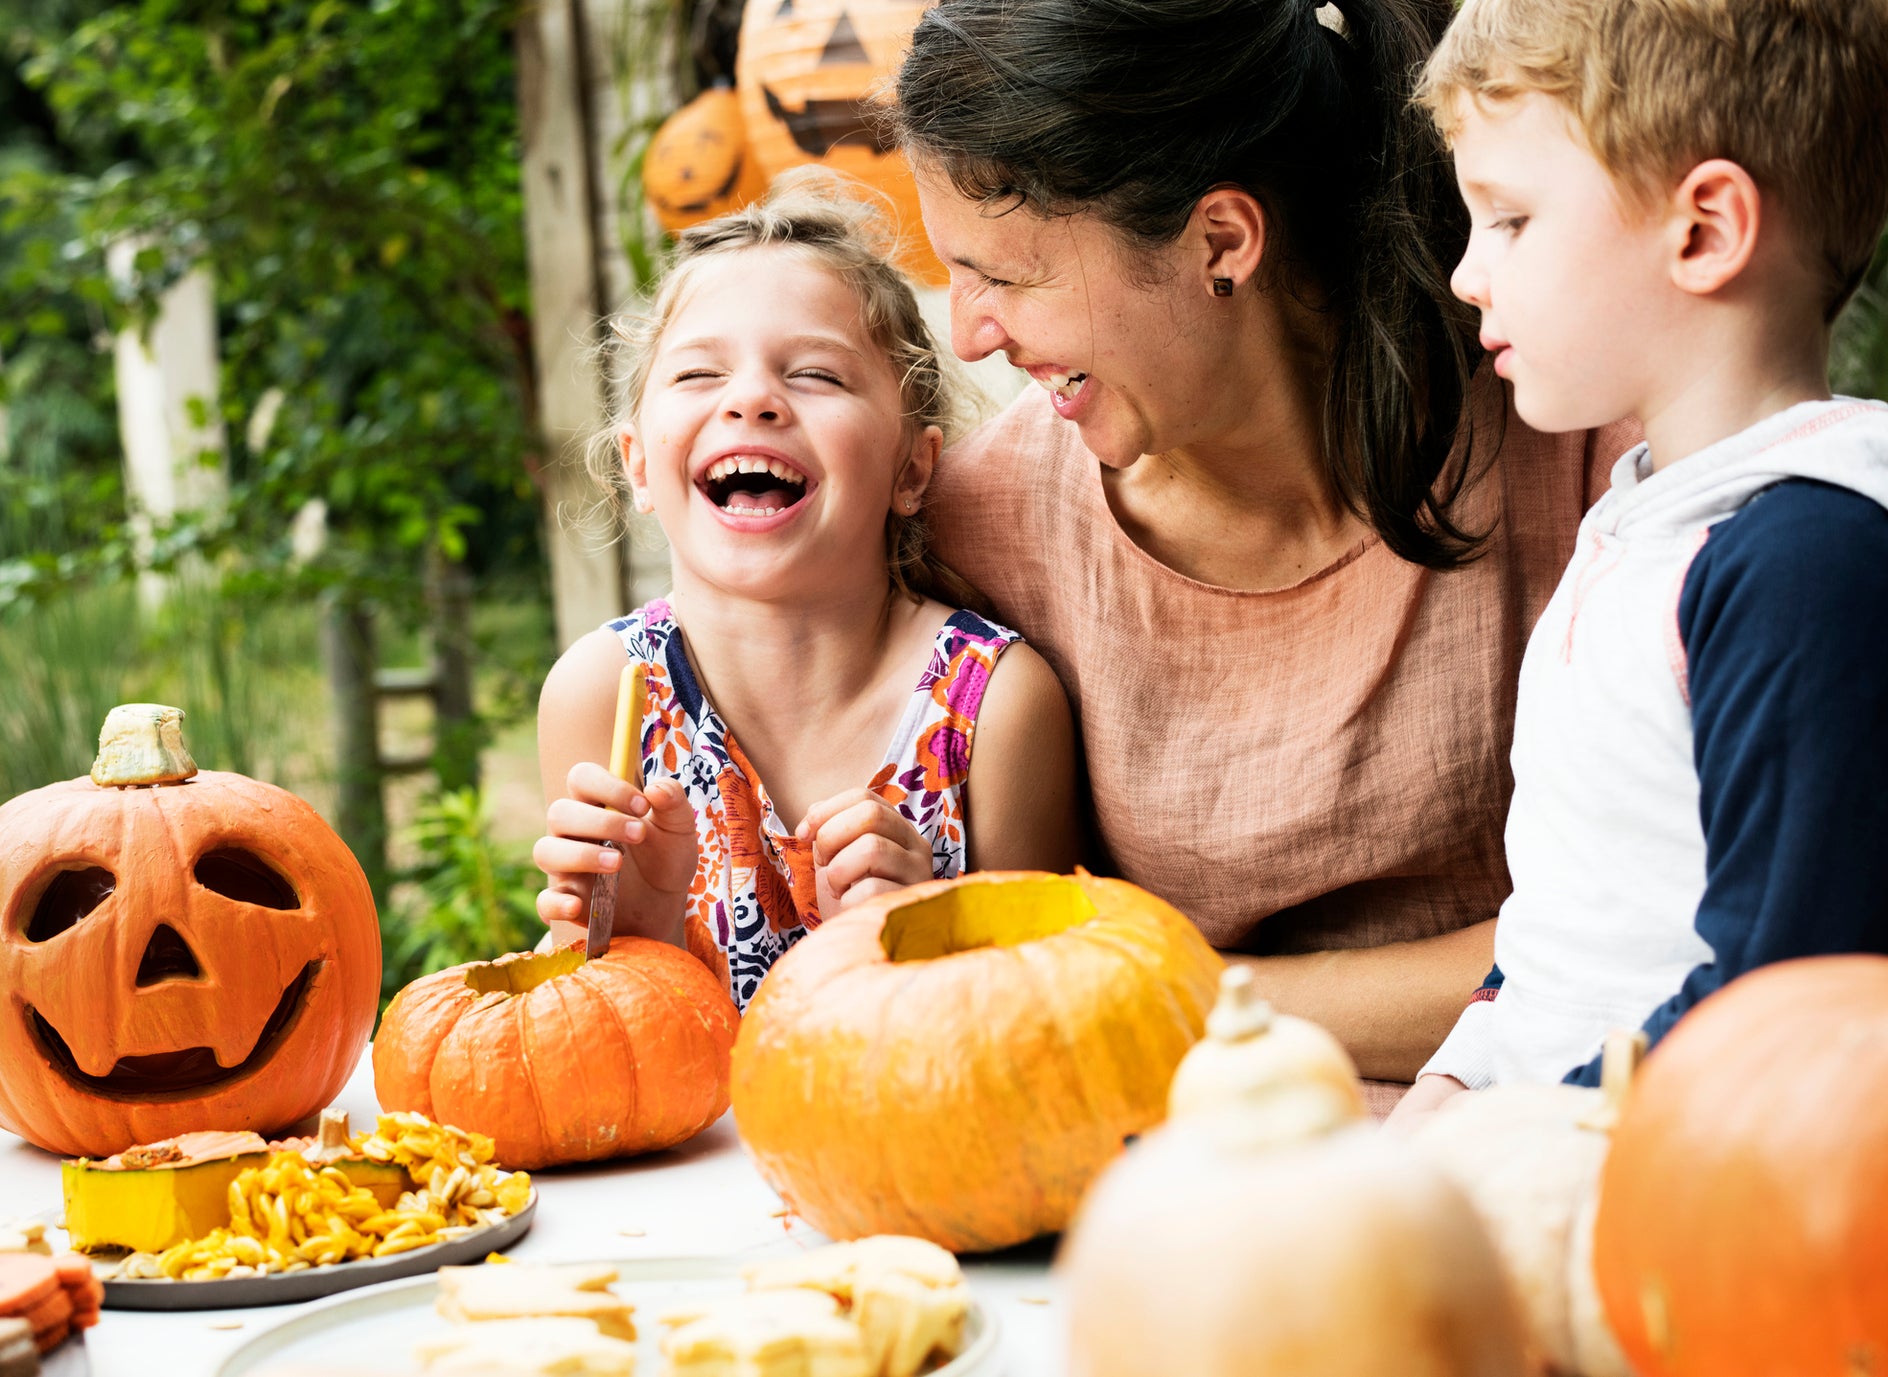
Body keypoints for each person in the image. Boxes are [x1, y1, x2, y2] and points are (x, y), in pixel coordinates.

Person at [893, 0, 1637, 1097]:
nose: (967, 333)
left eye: (1004, 277)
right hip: (1172, 1192)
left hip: (1558, 1151)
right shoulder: (984, 525)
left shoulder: (1573, 440)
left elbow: (1649, 931)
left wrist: (1177, 998)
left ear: (1219, 243)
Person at [1383, 0, 1888, 1120]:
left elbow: (1779, 994)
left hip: (1679, 1188)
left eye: (1507, 220)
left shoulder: (1804, 560)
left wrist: (1518, 1136)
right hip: (1550, 1141)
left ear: (1702, 230)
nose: (1466, 275)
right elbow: (1572, 913)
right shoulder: (1646, 525)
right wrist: (1456, 1071)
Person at [532, 177, 1081, 1010]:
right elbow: (584, 1045)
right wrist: (635, 937)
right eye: (699, 374)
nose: (751, 399)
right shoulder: (606, 693)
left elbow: (1053, 1016)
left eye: (817, 374)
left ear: (912, 468)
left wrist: (921, 943)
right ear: (640, 464)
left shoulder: (996, 707)